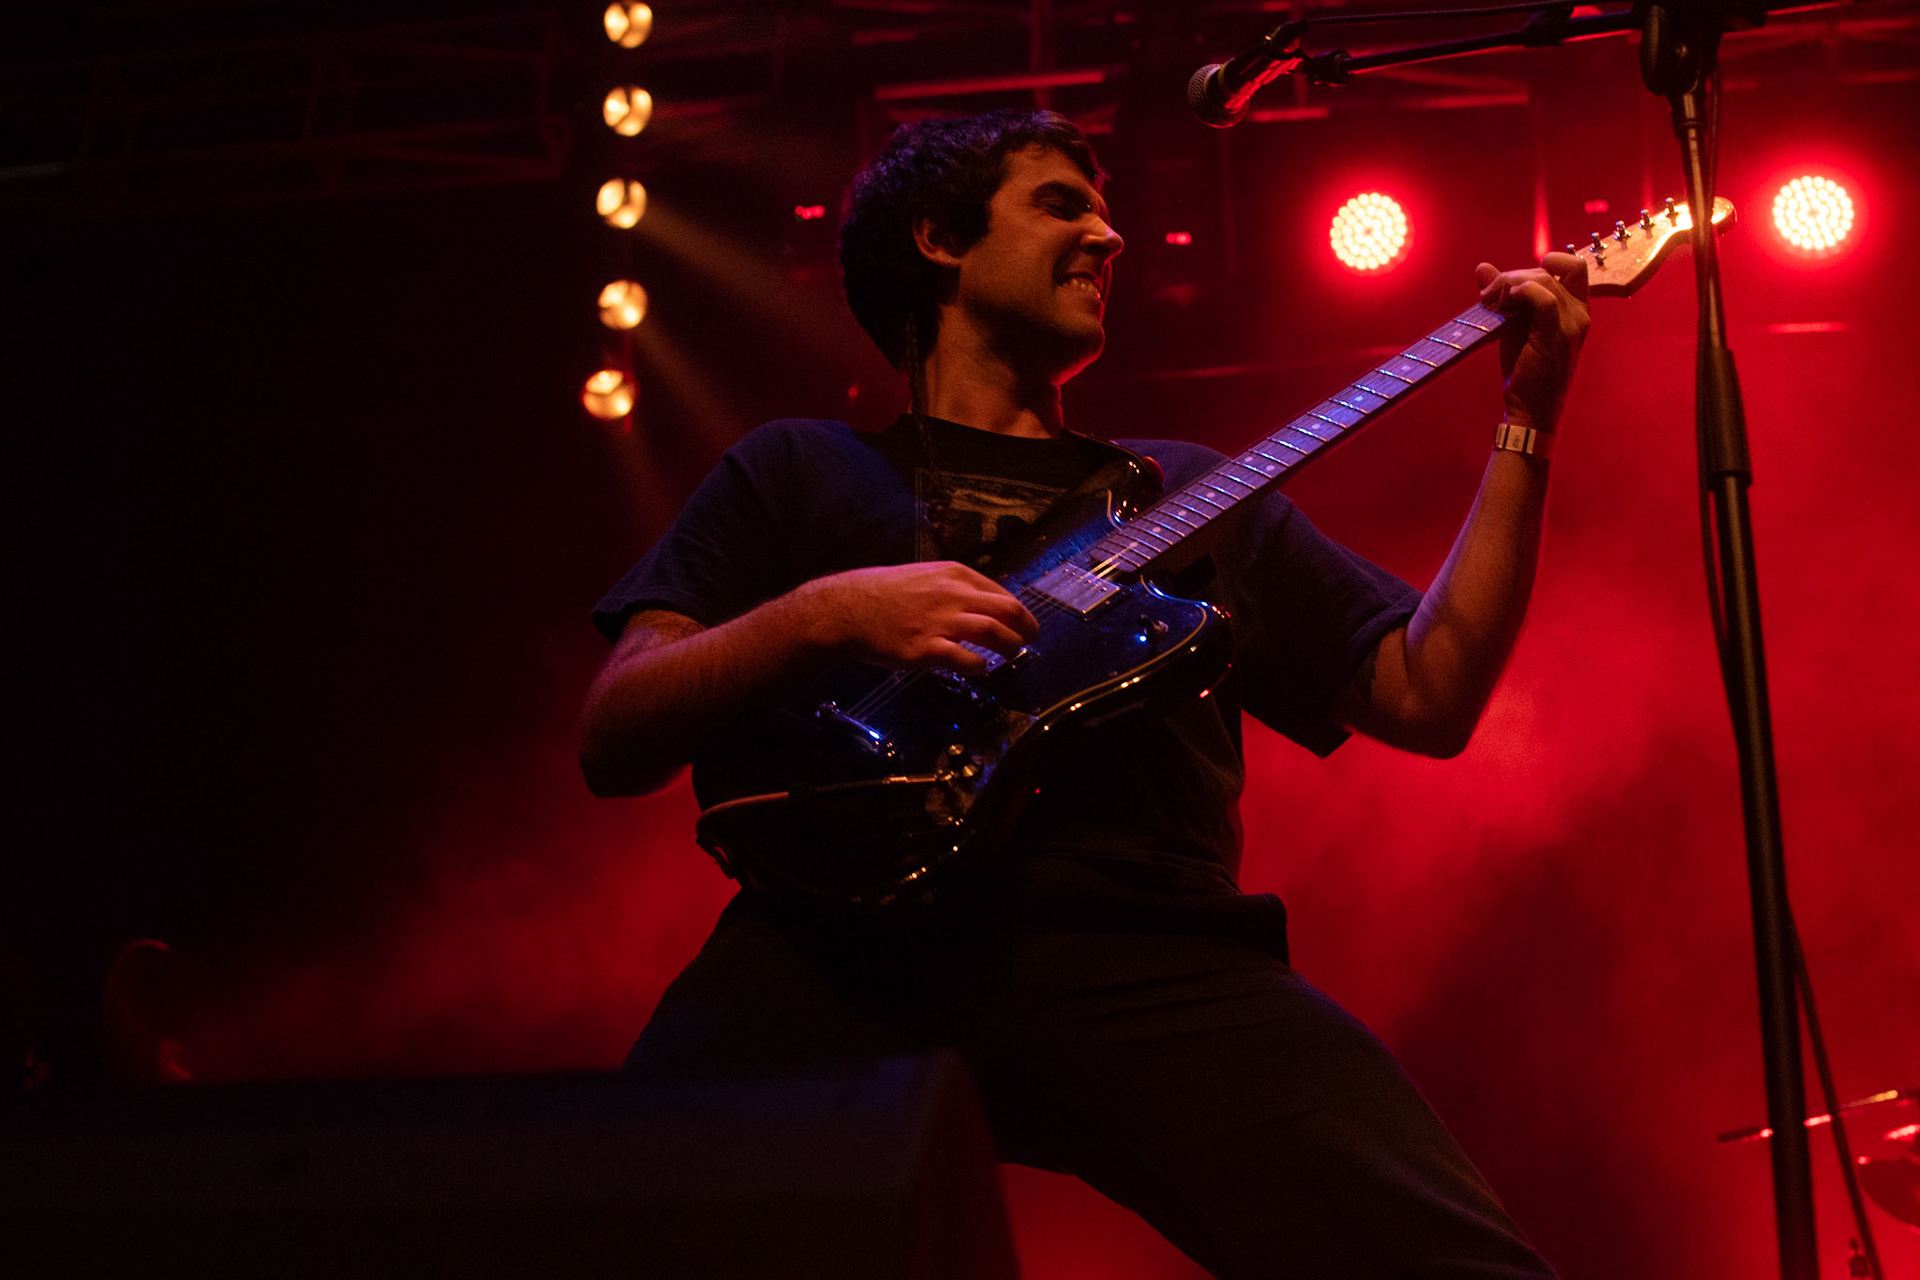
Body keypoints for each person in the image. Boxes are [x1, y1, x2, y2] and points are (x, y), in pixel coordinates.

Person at [580, 109, 1586, 1278]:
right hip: (830, 941)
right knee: (601, 1217)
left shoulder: (1192, 495)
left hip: (1144, 943)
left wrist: (1526, 421)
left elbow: (1431, 691)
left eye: (1105, 215)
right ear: (940, 239)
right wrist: (823, 613)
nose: (1109, 238)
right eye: (1062, 205)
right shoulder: (797, 469)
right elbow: (617, 728)